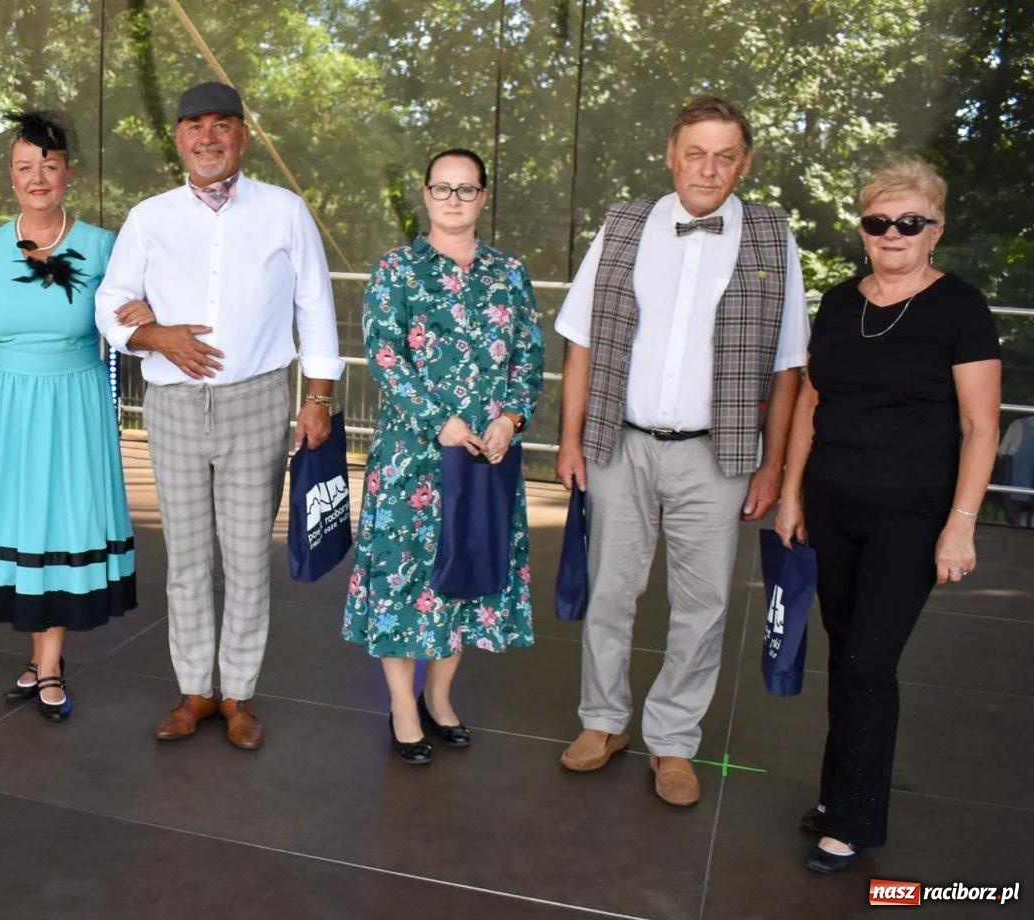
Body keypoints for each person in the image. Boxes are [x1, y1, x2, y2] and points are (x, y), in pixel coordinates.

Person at [554, 95, 809, 805]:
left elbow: (789, 367)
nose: (708, 168)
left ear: (744, 163)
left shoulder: (772, 235)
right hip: (618, 443)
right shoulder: (624, 223)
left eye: (725, 156)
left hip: (717, 455)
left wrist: (772, 465)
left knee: (701, 605)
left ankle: (672, 740)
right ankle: (602, 722)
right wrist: (570, 439)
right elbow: (580, 339)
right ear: (671, 154)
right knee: (610, 592)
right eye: (695, 153)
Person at [95, 82, 344, 750]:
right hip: (174, 405)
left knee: (244, 560)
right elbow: (111, 302)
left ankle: (238, 696)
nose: (207, 137)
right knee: (186, 562)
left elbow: (315, 305)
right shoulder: (150, 217)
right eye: (194, 126)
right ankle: (194, 692)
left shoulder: (284, 211)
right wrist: (159, 336)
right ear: (178, 137)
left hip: (258, 400)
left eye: (222, 125)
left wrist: (317, 397)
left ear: (244, 135)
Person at [775, 157, 1000, 873]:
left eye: (910, 222)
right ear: (863, 230)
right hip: (832, 505)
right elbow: (813, 401)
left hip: (912, 515)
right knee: (847, 658)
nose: (893, 233)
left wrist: (961, 521)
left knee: (870, 660)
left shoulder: (960, 308)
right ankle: (843, 796)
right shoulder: (841, 303)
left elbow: (981, 427)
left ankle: (850, 821)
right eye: (879, 222)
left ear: (935, 230)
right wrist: (790, 494)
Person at [343, 149, 543, 764]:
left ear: (484, 197)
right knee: (404, 581)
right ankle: (404, 707)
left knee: (466, 577)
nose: (454, 200)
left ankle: (441, 696)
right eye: (442, 188)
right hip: (413, 458)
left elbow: (528, 360)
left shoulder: (510, 273)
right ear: (426, 196)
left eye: (466, 189)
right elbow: (384, 356)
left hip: (485, 456)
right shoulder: (397, 270)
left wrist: (510, 418)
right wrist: (440, 421)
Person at [0, 112, 145, 721]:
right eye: (25, 167)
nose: (38, 178)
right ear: (11, 176)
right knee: (24, 528)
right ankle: (39, 658)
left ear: (68, 174)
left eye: (49, 166)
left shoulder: (106, 245)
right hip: (3, 401)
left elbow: (133, 317)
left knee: (62, 525)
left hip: (75, 400)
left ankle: (49, 663)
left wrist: (149, 309)